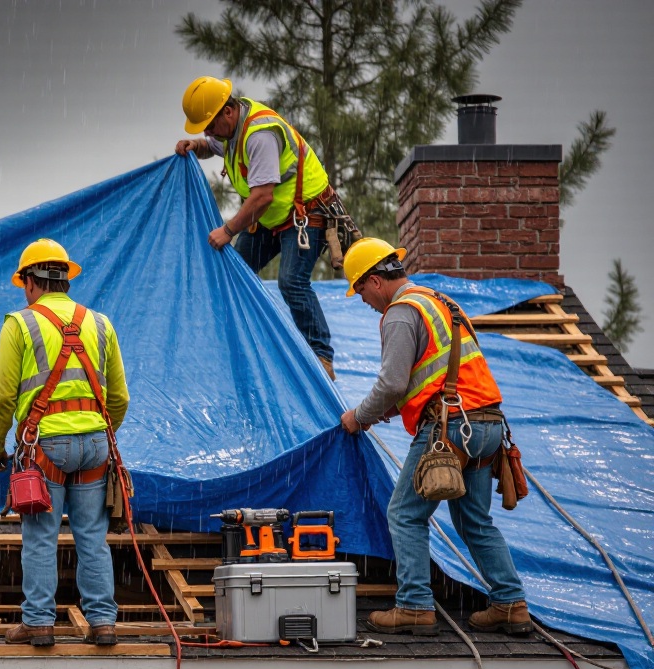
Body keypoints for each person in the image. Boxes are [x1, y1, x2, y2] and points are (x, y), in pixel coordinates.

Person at [339, 237, 532, 636]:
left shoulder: (400, 312)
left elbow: (392, 382)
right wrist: (389, 412)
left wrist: (359, 417)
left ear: (375, 281)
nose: (363, 300)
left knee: (405, 514)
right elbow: (435, 375)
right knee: (475, 521)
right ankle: (510, 603)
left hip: (449, 429)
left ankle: (413, 607)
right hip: (489, 426)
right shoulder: (442, 303)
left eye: (360, 291)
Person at [0, 238, 129, 647]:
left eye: (23, 284)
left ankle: (38, 623)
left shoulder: (21, 324)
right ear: (65, 279)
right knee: (92, 536)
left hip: (45, 446)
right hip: (95, 447)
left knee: (40, 537)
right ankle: (102, 622)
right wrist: (103, 434)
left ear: (31, 282)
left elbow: (1, 399)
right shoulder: (100, 323)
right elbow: (119, 398)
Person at [174, 76, 337, 380]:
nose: (209, 133)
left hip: (304, 212)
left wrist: (229, 230)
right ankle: (244, 344)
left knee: (292, 282)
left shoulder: (259, 135)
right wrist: (196, 145)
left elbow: (262, 196)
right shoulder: (231, 129)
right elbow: (215, 146)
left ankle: (322, 356)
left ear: (228, 112)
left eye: (210, 126)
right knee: (235, 272)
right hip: (271, 216)